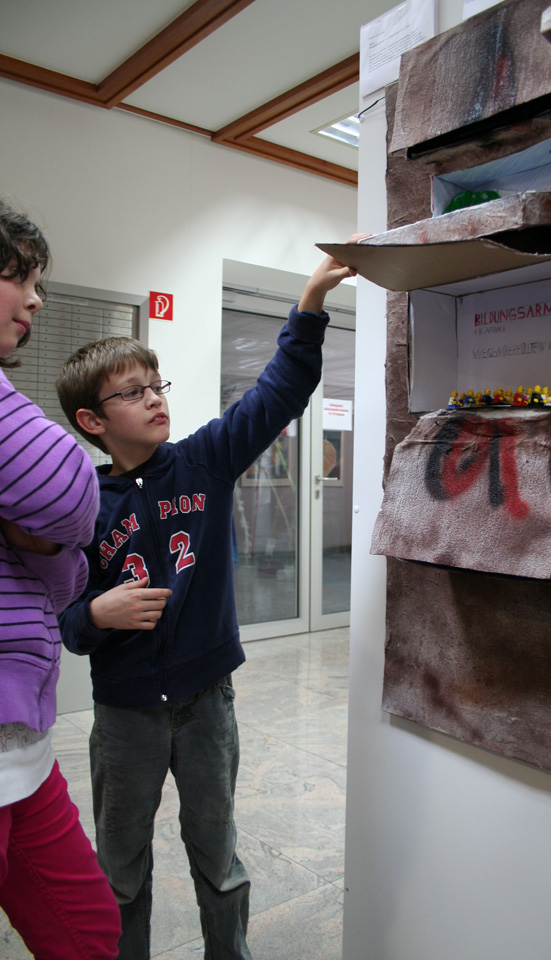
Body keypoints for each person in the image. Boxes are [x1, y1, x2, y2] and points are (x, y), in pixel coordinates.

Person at [55, 241, 359, 960]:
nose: (155, 397)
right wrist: (97, 615)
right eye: (132, 391)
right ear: (91, 420)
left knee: (218, 858)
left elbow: (280, 391)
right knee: (120, 870)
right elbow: (64, 619)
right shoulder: (78, 504)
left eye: (156, 383)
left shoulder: (204, 460)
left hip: (206, 703)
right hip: (124, 714)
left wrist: (310, 304)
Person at [0, 199, 121, 958]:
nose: (36, 299)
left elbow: (59, 554)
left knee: (87, 931)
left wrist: (54, 556)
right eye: (18, 276)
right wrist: (67, 558)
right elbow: (64, 497)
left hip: (21, 747)